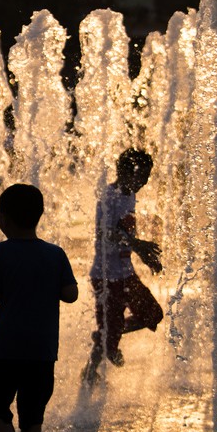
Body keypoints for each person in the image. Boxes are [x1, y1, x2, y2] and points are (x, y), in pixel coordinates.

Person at [0, 184, 78, 432]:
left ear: (4, 219)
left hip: (6, 348)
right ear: (38, 216)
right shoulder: (55, 254)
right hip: (42, 350)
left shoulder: (0, 252)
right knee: (32, 415)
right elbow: (71, 294)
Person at [82, 148, 164, 387]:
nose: (146, 182)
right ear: (129, 173)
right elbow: (105, 232)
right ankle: (90, 371)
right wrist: (137, 245)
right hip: (107, 277)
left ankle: (107, 335)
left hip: (126, 274)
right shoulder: (111, 196)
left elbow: (124, 234)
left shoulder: (129, 195)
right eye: (143, 176)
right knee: (110, 331)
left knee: (152, 314)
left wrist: (143, 255)